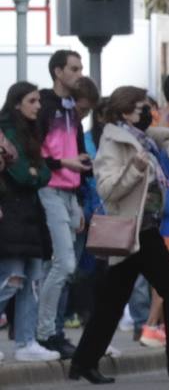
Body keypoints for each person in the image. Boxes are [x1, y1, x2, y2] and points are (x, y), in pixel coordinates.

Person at [68, 87, 169, 385]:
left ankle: (83, 362)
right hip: (134, 230)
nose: (148, 114)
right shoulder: (113, 142)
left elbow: (165, 137)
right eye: (141, 109)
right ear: (124, 113)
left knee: (111, 300)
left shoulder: (143, 139)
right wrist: (135, 169)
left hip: (142, 229)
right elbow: (107, 190)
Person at [34, 49, 90, 360]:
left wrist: (80, 172)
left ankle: (48, 330)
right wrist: (64, 162)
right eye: (74, 67)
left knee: (58, 266)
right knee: (64, 264)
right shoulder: (45, 106)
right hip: (51, 190)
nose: (79, 73)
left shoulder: (70, 109)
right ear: (58, 72)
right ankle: (45, 332)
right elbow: (36, 150)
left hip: (70, 193)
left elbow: (76, 151)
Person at [0, 83, 60, 362]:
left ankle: (26, 342)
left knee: (31, 282)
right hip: (12, 215)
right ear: (16, 103)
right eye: (32, 100)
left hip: (30, 217)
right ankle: (25, 340)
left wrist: (35, 171)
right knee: (11, 280)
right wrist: (33, 172)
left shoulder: (31, 133)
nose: (38, 106)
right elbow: (22, 174)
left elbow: (43, 172)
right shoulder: (7, 132)